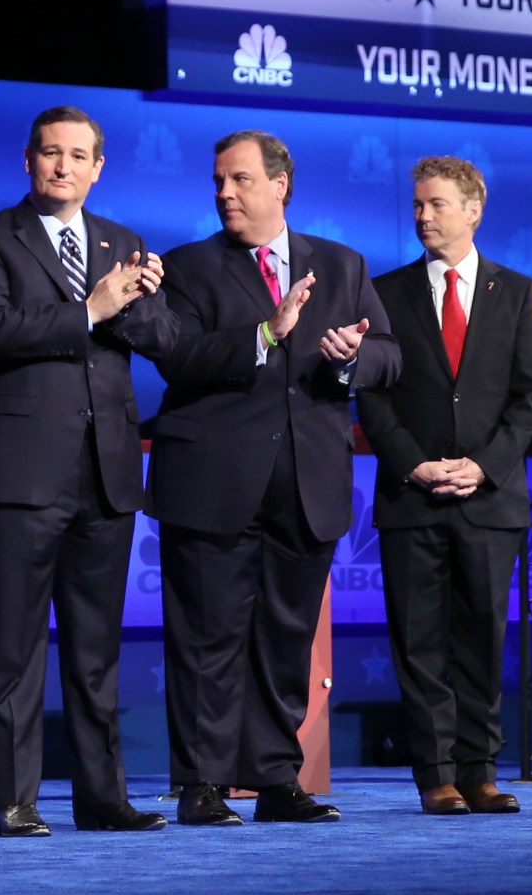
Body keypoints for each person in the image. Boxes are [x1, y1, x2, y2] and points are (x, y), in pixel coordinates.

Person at [147, 130, 401, 826]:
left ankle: (275, 778)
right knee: (208, 636)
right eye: (218, 182)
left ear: (280, 184)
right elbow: (179, 357)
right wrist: (266, 333)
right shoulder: (188, 267)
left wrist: (352, 358)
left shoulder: (341, 264)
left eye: (241, 180)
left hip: (306, 480)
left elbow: (389, 355)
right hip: (212, 479)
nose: (225, 193)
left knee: (285, 636)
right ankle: (202, 781)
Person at [0, 106, 176, 837]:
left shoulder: (123, 242)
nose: (63, 166)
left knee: (95, 649)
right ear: (28, 160)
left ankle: (102, 797)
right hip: (22, 473)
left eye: (79, 156)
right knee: (14, 647)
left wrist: (139, 299)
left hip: (106, 471)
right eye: (51, 153)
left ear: (98, 168)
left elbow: (161, 339)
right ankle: (14, 800)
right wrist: (91, 308)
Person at [356, 156, 532, 815]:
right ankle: (436, 774)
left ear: (473, 210)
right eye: (417, 204)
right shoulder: (385, 292)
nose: (423, 216)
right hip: (412, 497)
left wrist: (484, 465)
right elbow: (372, 395)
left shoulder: (515, 291)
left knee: (481, 640)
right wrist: (412, 463)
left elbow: (528, 397)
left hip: (488, 500)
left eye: (436, 204)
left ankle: (479, 770)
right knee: (419, 643)